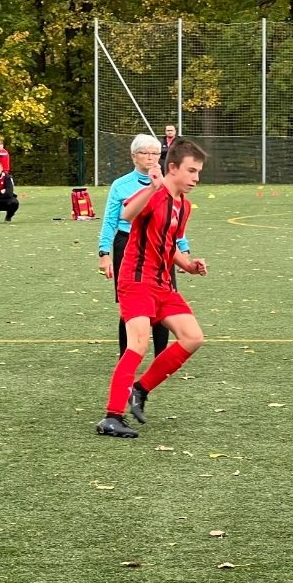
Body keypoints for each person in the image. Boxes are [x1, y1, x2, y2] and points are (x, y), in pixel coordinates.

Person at [96, 137, 209, 439]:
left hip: (163, 284)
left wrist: (189, 265)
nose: (196, 178)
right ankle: (111, 417)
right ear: (172, 168)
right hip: (136, 281)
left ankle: (140, 389)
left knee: (193, 337)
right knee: (138, 344)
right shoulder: (154, 195)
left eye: (198, 172)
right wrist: (152, 187)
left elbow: (170, 244)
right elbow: (126, 214)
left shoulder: (183, 206)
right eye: (192, 171)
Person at [99, 134, 193, 358]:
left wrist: (185, 250)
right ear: (134, 156)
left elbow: (175, 219)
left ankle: (160, 358)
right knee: (129, 308)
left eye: (155, 153)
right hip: (127, 246)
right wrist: (104, 253)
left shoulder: (169, 184)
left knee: (162, 302)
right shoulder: (120, 185)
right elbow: (110, 221)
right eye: (145, 153)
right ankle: (126, 358)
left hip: (161, 246)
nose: (151, 157)